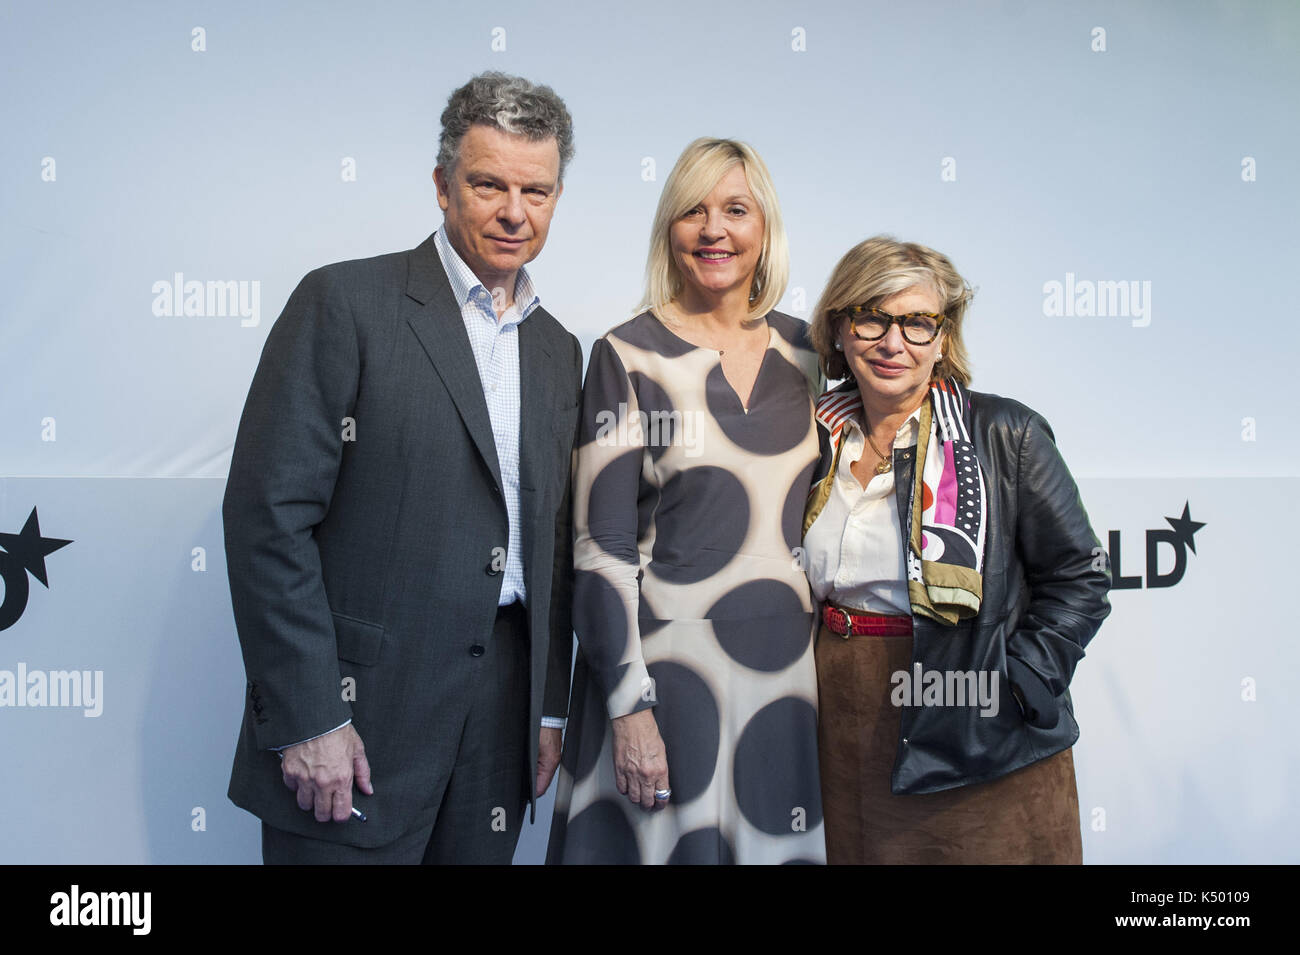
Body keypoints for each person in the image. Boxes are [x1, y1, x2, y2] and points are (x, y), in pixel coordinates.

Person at [223, 72, 582, 864]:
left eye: (537, 190)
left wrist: (546, 711)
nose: (514, 212)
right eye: (488, 184)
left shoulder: (560, 351)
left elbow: (556, 545)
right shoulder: (344, 303)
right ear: (442, 185)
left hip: (499, 719)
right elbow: (267, 521)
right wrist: (310, 714)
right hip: (357, 712)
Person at [547, 138, 827, 864]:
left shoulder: (814, 357)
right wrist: (629, 710)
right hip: (666, 677)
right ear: (668, 231)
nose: (714, 230)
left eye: (736, 209)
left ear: (765, 228)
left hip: (791, 679)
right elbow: (600, 550)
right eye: (692, 212)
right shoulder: (626, 354)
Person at [802, 236, 1111, 864]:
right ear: (839, 328)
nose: (894, 343)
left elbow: (1080, 575)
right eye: (872, 317)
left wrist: (1021, 681)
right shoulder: (811, 437)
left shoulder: (1005, 432)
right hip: (843, 709)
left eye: (917, 322)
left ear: (943, 338)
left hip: (973, 717)